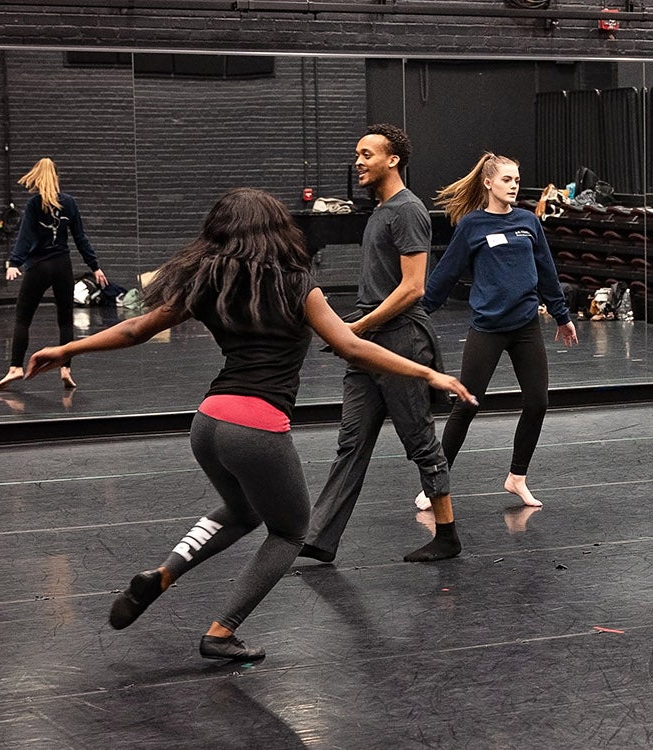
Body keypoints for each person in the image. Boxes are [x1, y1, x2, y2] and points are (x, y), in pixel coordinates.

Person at [23, 187, 473, 662]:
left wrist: (68, 349)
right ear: (276, 229)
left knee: (242, 512)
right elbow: (353, 347)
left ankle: (164, 573)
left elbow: (137, 328)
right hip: (256, 429)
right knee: (288, 532)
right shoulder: (297, 283)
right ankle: (221, 631)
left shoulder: (206, 281)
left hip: (209, 421)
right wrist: (427, 371)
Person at [299, 124, 462, 564]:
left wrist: (356, 328)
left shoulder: (408, 211)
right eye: (357, 154)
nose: (358, 161)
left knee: (420, 442)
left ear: (392, 160)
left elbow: (413, 289)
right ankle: (319, 537)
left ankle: (447, 536)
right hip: (369, 342)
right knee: (351, 442)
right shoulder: (379, 212)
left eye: (366, 154)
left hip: (402, 341)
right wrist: (354, 330)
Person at [423, 153, 577, 508]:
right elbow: (445, 275)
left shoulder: (527, 222)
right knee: (467, 405)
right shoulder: (472, 225)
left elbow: (547, 271)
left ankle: (516, 478)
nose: (513, 186)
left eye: (517, 181)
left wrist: (561, 314)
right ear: (489, 183)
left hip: (525, 326)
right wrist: (418, 313)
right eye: (507, 180)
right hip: (488, 327)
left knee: (538, 401)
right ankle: (435, 484)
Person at [0, 158, 104, 390]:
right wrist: (94, 266)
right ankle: (65, 368)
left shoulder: (35, 204)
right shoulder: (70, 203)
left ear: (36, 176)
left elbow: (24, 236)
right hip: (62, 266)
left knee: (23, 318)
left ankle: (15, 367)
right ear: (56, 177)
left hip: (39, 266)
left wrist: (14, 262)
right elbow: (80, 238)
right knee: (65, 319)